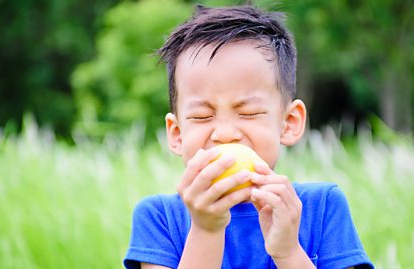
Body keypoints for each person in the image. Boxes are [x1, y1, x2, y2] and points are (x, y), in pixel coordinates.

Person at [123, 5, 373, 269]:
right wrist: (206, 231)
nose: (226, 134)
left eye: (249, 112)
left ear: (289, 122)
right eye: (202, 116)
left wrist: (288, 252)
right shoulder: (158, 218)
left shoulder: (322, 207)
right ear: (176, 134)